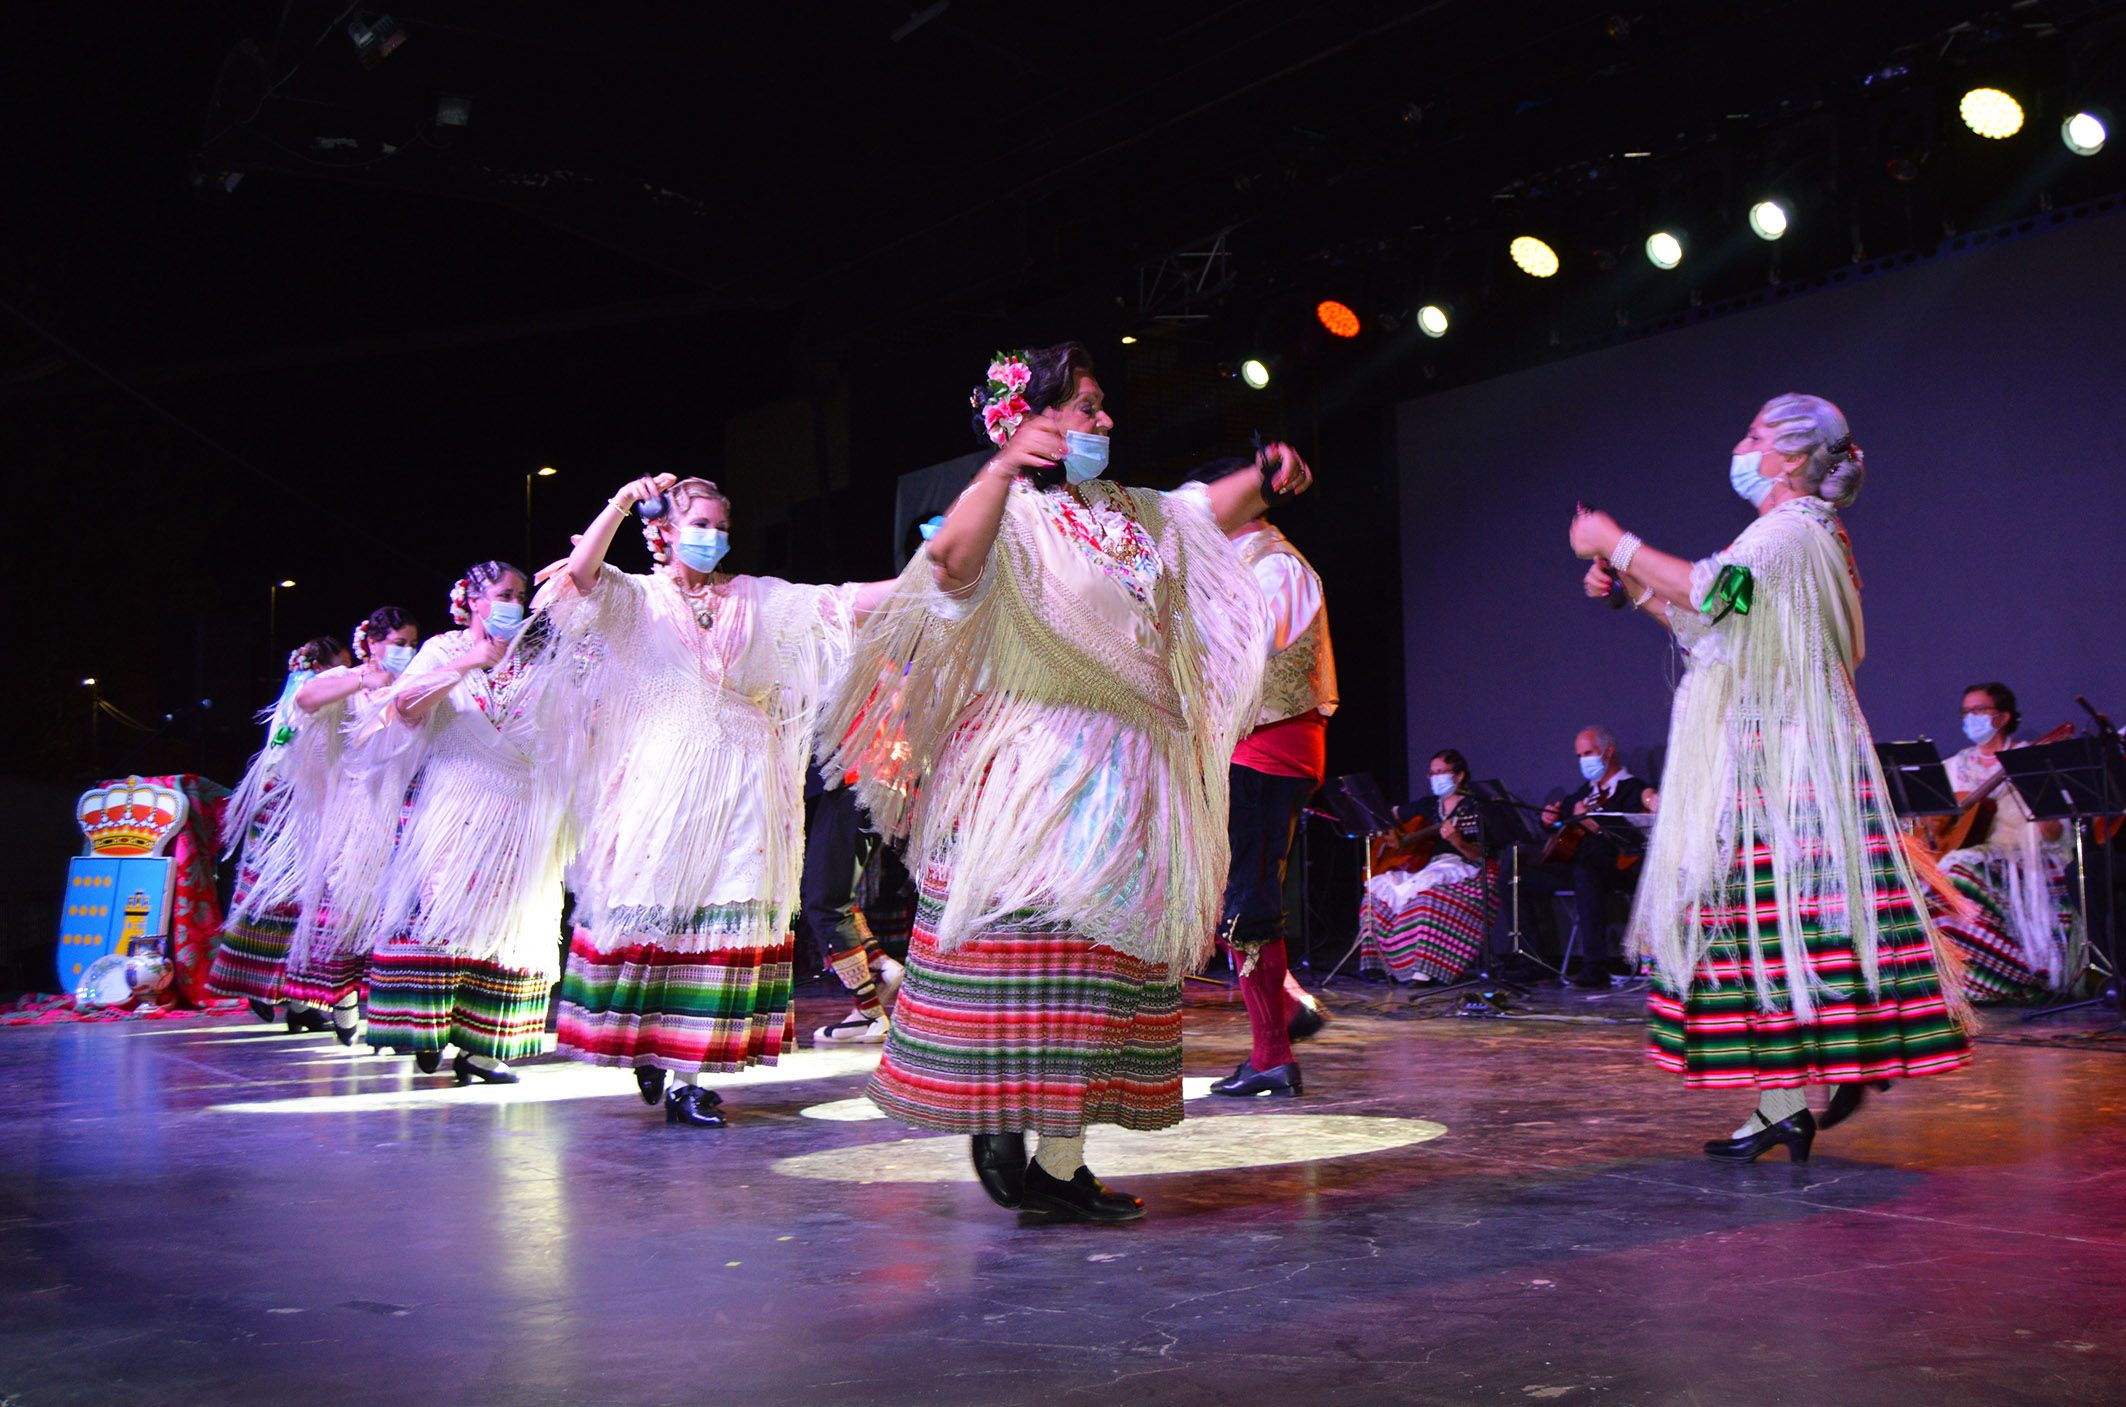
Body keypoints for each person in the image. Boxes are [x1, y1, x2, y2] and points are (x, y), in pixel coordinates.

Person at [824, 342, 1302, 1222]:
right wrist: (1002, 466)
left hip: (1132, 776)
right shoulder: (1002, 514)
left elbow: (1201, 510)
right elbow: (948, 568)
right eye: (1086, 407)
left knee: (1103, 966)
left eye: (1100, 406)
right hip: (1041, 769)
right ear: (1032, 422)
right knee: (1031, 948)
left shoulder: (1131, 513)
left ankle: (1060, 1164)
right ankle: (1004, 1114)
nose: (1105, 422)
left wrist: (1266, 475)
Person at [1571, 393, 1973, 1162]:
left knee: (1782, 920)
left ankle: (1836, 1067)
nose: (1741, 442)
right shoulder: (1791, 534)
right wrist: (1636, 589)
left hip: (1790, 761)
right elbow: (1714, 622)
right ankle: (1782, 1103)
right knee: (1762, 927)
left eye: (1755, 433)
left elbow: (1712, 590)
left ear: (1790, 456)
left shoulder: (1788, 533)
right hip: (1772, 754)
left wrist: (1617, 544)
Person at [533, 475, 891, 1127]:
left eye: (723, 525)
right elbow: (579, 578)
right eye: (701, 522)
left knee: (725, 906)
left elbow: (837, 604)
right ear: (664, 530)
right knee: (663, 912)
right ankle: (652, 1041)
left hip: (747, 787)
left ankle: (687, 1078)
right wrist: (617, 501)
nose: (715, 536)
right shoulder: (635, 597)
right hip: (663, 784)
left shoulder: (754, 597)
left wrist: (932, 581)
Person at [357, 560, 565, 1085]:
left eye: (520, 595)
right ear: (473, 600)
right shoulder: (443, 650)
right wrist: (471, 661)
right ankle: (426, 1027)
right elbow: (404, 706)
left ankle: (482, 1048)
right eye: (502, 593)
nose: (513, 603)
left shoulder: (535, 659)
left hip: (518, 806)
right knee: (442, 914)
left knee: (507, 923)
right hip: (455, 798)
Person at [1210, 507, 1338, 1100]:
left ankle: (1272, 1055)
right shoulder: (1245, 563)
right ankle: (1285, 1005)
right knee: (1224, 893)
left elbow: (1244, 655)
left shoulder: (1276, 565)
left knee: (1248, 900)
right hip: (1255, 746)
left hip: (1269, 746)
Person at [278, 606, 422, 1045]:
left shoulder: (415, 685)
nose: (406, 652)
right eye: (398, 643)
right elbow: (304, 700)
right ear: (373, 644)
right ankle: (342, 1000)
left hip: (400, 809)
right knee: (347, 905)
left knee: (393, 913)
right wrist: (364, 680)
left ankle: (389, 1010)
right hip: (353, 808)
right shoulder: (349, 681)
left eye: (411, 644)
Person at [208, 634, 351, 1029]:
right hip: (292, 806)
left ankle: (292, 999)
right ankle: (272, 988)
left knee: (286, 899)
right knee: (289, 898)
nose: (349, 670)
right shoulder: (314, 694)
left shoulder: (298, 694)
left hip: (283, 801)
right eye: (343, 663)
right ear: (325, 666)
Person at [1928, 682, 2081, 1002]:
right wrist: (1936, 826)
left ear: (2003, 716)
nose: (1971, 717)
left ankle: (2009, 974)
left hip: (2019, 859)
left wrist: (2047, 814)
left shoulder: (2028, 760)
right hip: (1968, 856)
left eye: (1979, 710)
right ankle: (1954, 980)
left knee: (1955, 876)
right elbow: (1933, 822)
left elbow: (2056, 834)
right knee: (1931, 878)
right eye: (1966, 711)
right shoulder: (1953, 766)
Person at [1518, 725, 1658, 988]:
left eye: (1589, 753)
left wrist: (1600, 827)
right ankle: (1533, 960)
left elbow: (1638, 833)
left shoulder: (1631, 788)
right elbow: (1558, 821)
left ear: (1609, 751)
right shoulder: (1584, 793)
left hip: (1617, 869)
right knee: (1518, 878)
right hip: (1577, 868)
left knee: (1586, 870)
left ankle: (1595, 966)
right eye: (1579, 755)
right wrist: (1548, 820)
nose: (1584, 760)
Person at [1356, 749, 1493, 985]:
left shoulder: (1474, 808)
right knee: (1374, 896)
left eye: (1442, 772)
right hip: (1426, 867)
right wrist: (1389, 832)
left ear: (1459, 776)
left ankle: (1425, 969)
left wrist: (1457, 841)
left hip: (1461, 868)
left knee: (1426, 899)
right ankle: (1379, 965)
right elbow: (1391, 815)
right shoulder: (1428, 805)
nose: (1436, 778)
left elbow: (1481, 855)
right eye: (1432, 773)